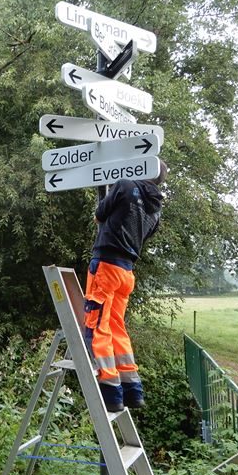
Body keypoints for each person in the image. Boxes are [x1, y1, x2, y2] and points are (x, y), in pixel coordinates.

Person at [83, 160, 167, 413]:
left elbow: (99, 216)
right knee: (117, 326)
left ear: (143, 170)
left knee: (98, 326)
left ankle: (110, 392)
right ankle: (132, 390)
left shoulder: (124, 185)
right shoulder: (156, 211)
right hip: (127, 272)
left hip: (107, 266)